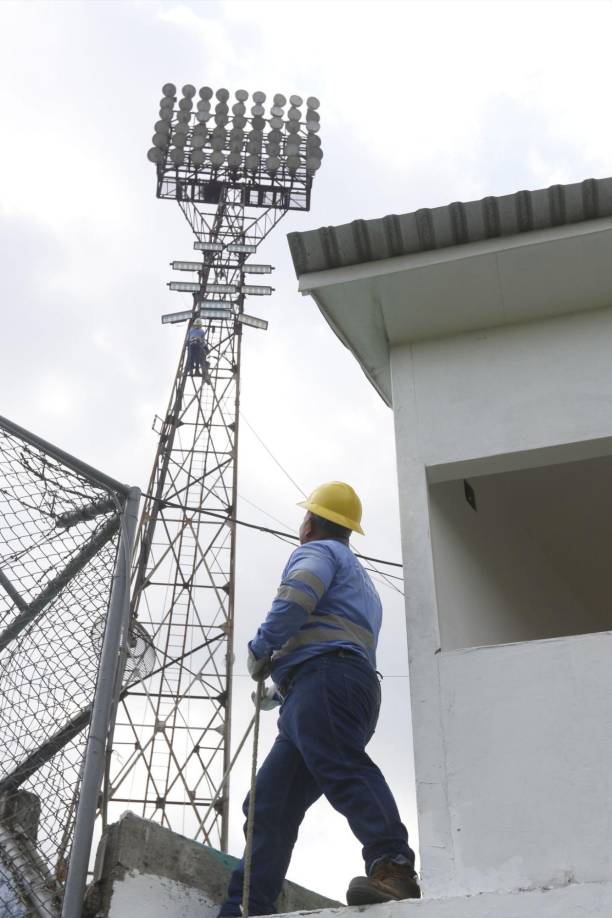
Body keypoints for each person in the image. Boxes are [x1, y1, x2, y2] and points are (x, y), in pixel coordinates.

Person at [217, 482, 420, 917]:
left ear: (310, 523)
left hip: (326, 683)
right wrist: (280, 691)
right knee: (268, 803)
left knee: (339, 763)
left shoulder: (319, 553)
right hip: (330, 688)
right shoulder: (359, 580)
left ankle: (394, 866)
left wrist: (261, 649)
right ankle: (246, 907)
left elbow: (297, 597)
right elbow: (333, 636)